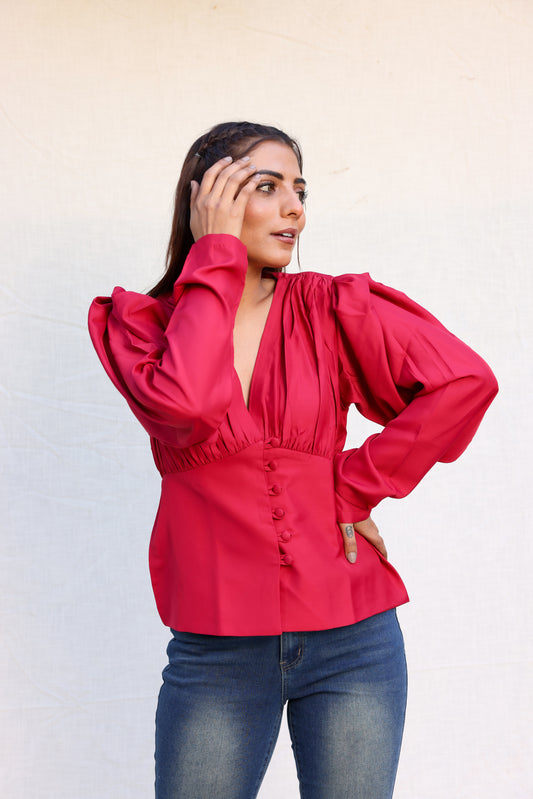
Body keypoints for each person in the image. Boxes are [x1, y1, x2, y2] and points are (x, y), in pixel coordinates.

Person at [88, 121, 498, 799]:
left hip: (355, 640)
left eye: (299, 191)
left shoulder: (329, 307)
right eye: (266, 187)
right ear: (205, 200)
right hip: (217, 654)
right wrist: (215, 256)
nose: (294, 210)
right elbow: (187, 405)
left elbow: (465, 381)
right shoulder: (140, 326)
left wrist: (355, 485)